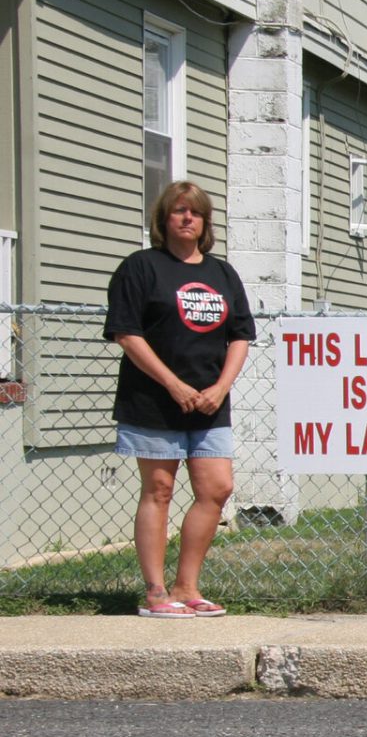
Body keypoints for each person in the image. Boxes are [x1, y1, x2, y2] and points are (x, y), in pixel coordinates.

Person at [103, 180, 256, 618]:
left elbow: (241, 336)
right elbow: (126, 334)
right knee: (159, 489)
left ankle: (187, 587)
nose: (187, 218)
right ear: (164, 219)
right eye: (178, 211)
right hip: (153, 401)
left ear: (205, 222)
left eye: (196, 212)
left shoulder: (222, 273)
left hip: (210, 404)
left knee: (217, 488)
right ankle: (155, 594)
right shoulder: (141, 267)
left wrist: (221, 387)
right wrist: (173, 384)